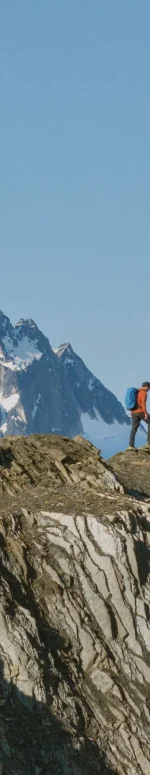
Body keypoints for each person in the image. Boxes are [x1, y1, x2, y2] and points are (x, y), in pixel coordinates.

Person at [129, 382, 150, 449]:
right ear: (146, 386)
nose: (149, 389)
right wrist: (146, 414)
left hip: (133, 412)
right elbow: (143, 404)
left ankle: (131, 446)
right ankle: (149, 443)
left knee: (134, 429)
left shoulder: (136, 392)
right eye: (149, 387)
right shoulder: (144, 393)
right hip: (140, 411)